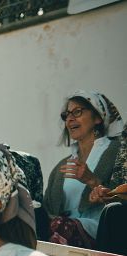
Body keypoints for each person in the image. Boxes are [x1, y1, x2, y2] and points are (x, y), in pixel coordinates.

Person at [45, 90, 122, 247]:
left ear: (98, 118)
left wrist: (92, 181)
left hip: (103, 231)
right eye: (67, 115)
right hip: (62, 233)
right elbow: (48, 211)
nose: (70, 119)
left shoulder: (119, 152)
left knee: (61, 226)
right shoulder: (61, 167)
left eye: (77, 112)